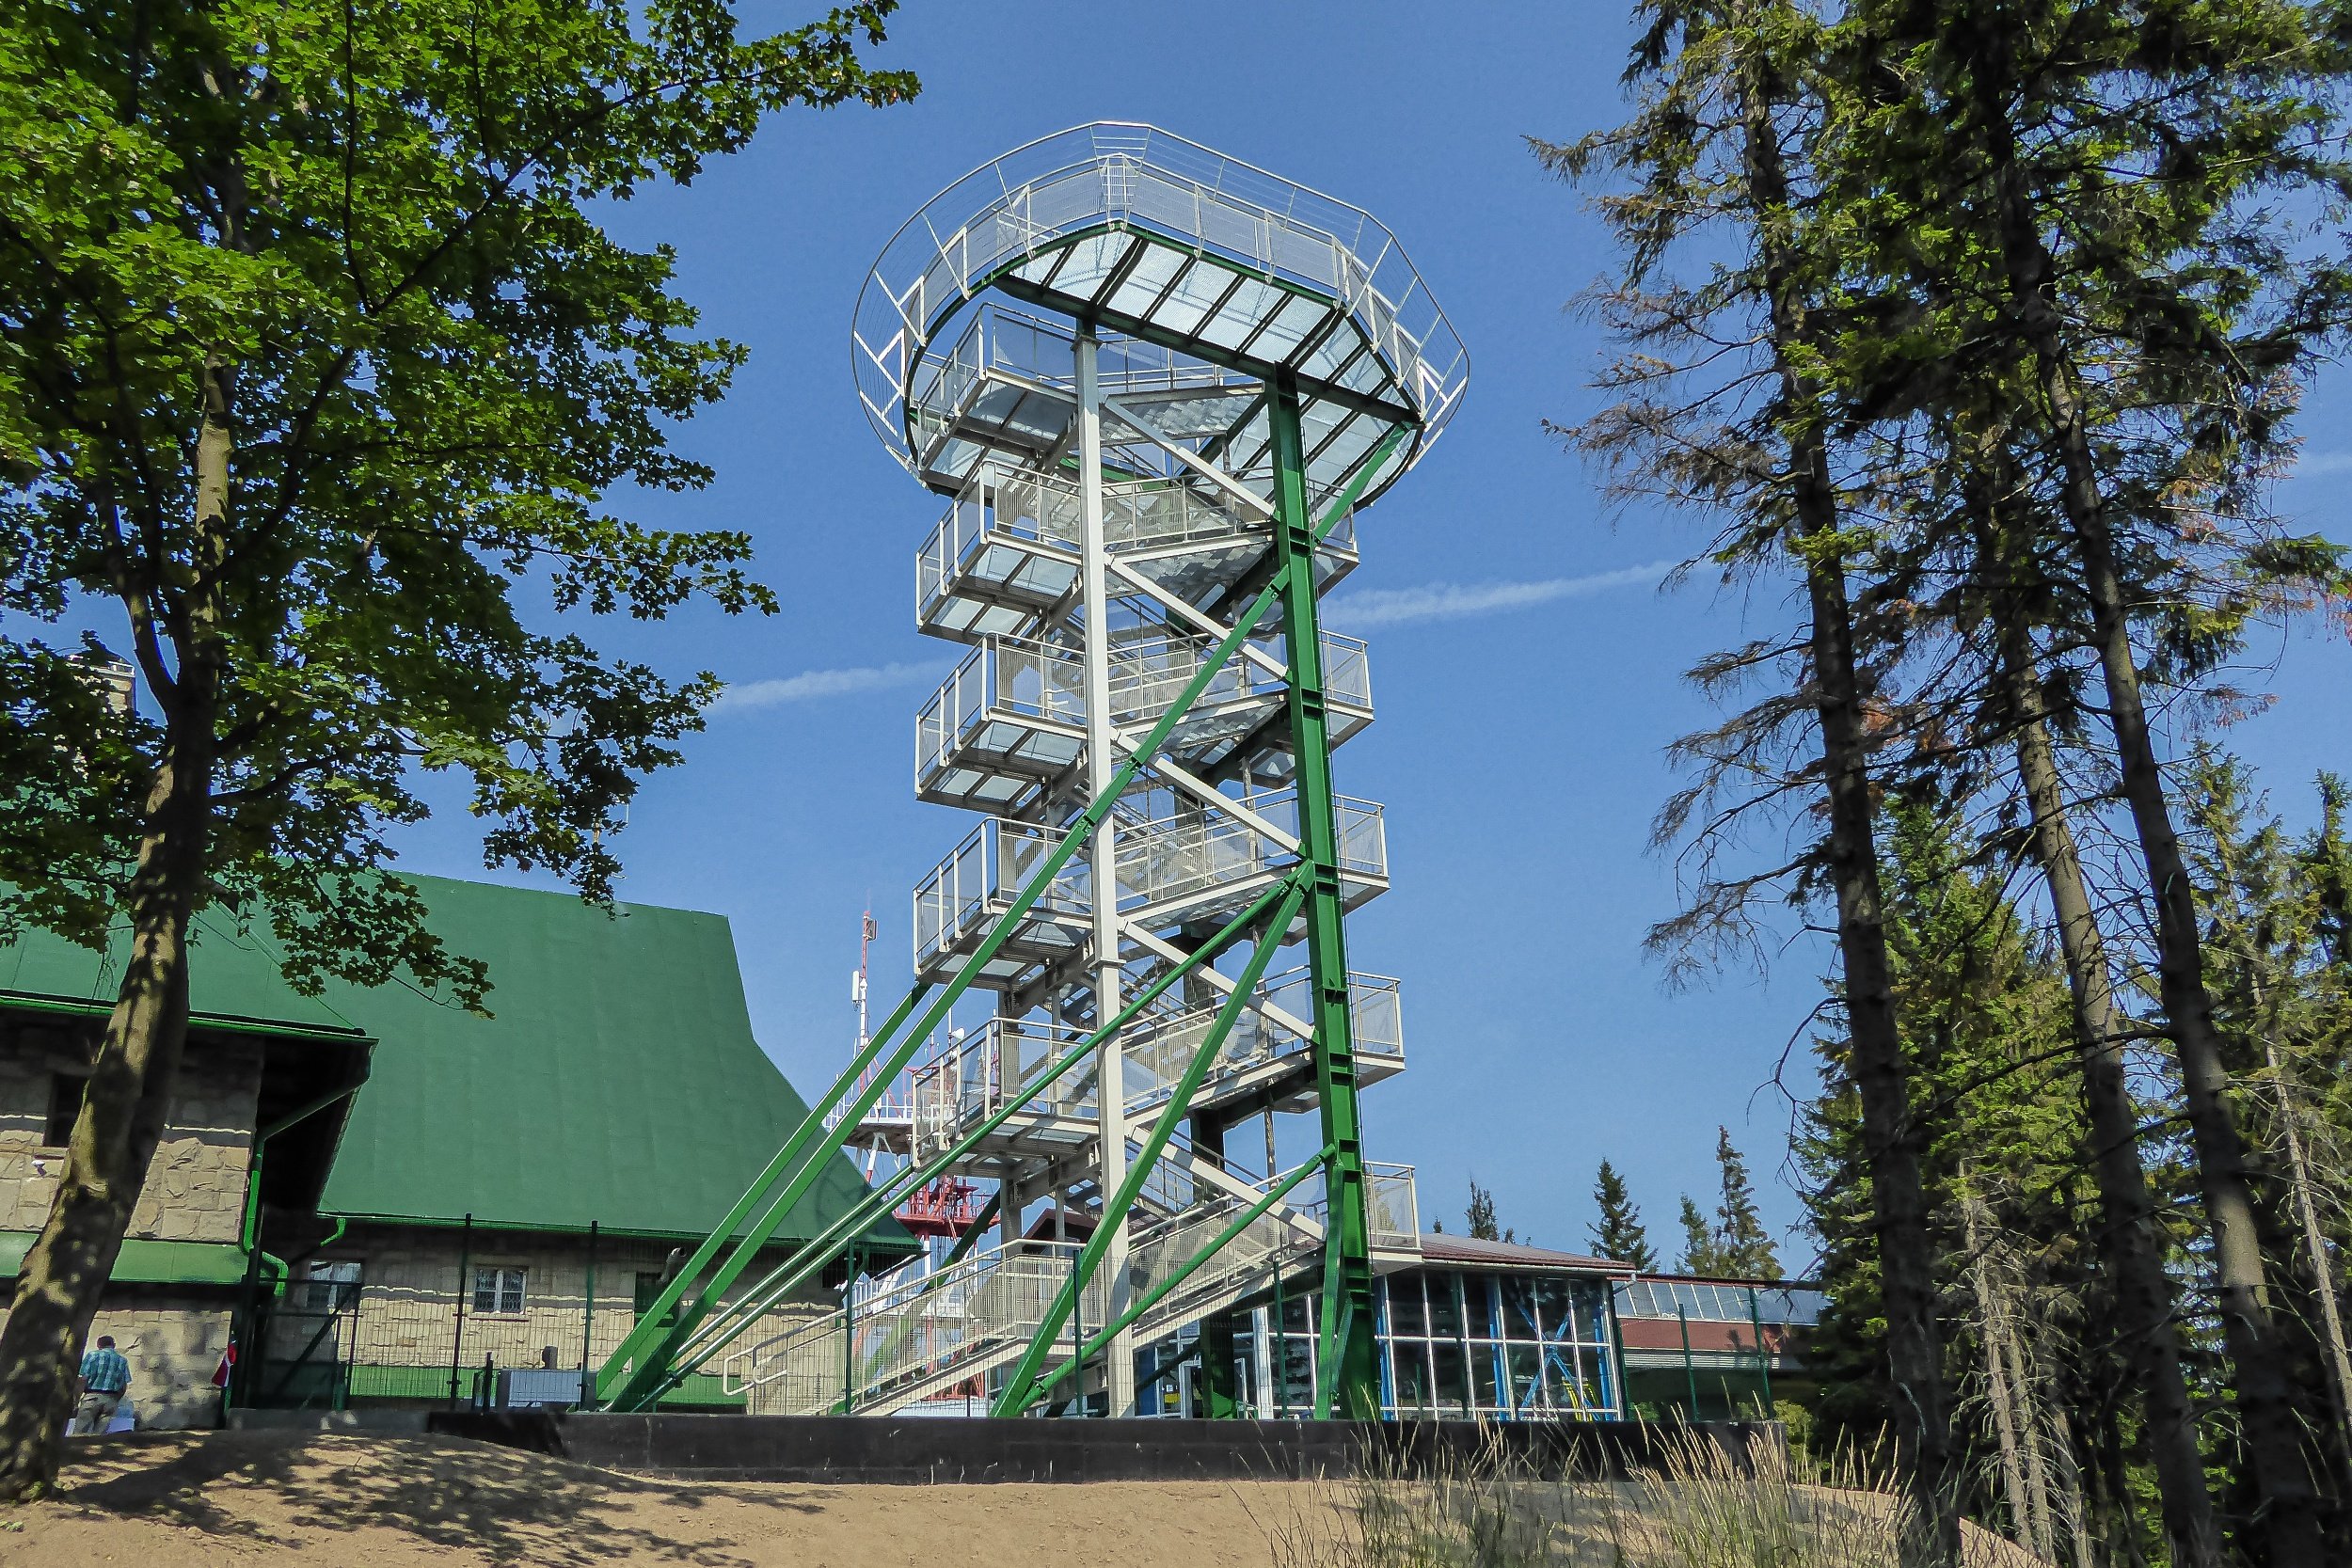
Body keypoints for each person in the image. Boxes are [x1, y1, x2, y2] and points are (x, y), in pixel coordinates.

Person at [70, 1335, 132, 1435]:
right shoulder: (122, 1360)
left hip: (92, 1397)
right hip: (111, 1398)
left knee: (80, 1432)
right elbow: (123, 1385)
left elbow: (83, 1379)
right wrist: (116, 1400)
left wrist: (76, 1401)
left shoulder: (92, 1356)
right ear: (114, 1345)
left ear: (98, 1345)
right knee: (100, 1436)